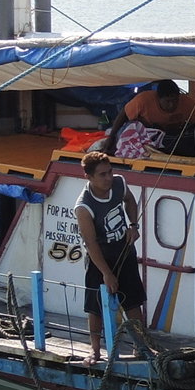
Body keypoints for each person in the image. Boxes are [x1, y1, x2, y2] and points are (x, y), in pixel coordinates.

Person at [76, 150, 150, 362]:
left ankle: (141, 346)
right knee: (96, 306)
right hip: (100, 257)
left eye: (109, 172)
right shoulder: (83, 207)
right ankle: (95, 349)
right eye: (102, 175)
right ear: (89, 177)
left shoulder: (119, 183)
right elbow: (91, 244)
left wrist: (133, 226)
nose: (108, 178)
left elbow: (130, 201)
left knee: (134, 301)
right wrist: (107, 274)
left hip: (124, 249)